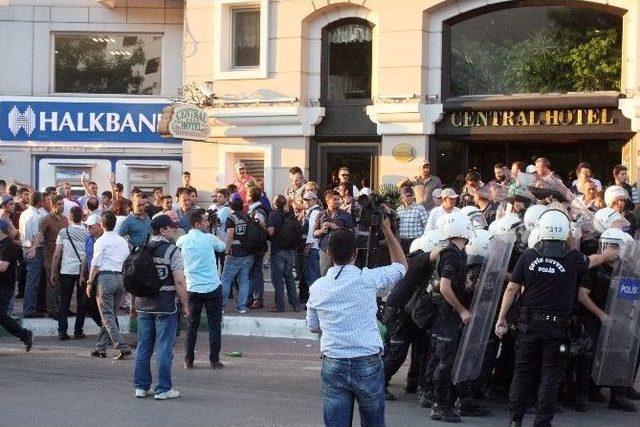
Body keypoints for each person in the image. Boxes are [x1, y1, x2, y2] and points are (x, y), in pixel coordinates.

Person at [495, 209, 619, 427]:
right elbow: (590, 260)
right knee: (551, 374)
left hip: (528, 324)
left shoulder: (529, 255)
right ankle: (542, 421)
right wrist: (607, 256)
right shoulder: (571, 258)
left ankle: (516, 419)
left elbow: (512, 289)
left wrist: (502, 318)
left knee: (522, 371)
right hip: (556, 327)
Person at [306, 207, 407, 427]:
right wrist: (387, 230)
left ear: (329, 254)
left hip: (333, 361)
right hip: (367, 361)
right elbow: (401, 267)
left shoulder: (318, 287)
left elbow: (313, 326)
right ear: (355, 253)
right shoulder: (367, 279)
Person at [576, 229, 637, 412]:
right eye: (611, 246)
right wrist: (601, 315)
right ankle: (582, 394)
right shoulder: (595, 268)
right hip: (594, 318)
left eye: (616, 247)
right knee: (588, 353)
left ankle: (617, 396)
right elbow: (582, 295)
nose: (613, 250)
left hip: (618, 319)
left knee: (621, 353)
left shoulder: (626, 269)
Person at [133, 214, 190, 400]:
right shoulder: (172, 251)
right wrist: (185, 305)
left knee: (143, 346)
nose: (174, 229)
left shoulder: (141, 249)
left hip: (143, 304)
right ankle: (164, 388)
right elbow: (180, 281)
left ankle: (141, 387)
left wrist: (134, 303)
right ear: (162, 230)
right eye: (171, 227)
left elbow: (133, 278)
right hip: (165, 305)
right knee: (164, 346)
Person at [428, 213, 475, 423]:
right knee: (445, 360)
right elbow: (445, 287)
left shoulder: (457, 253)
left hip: (447, 314)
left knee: (445, 358)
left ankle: (440, 401)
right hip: (446, 315)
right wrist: (462, 310)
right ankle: (439, 404)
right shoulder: (452, 254)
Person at [176, 209, 226, 370]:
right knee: (214, 326)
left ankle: (188, 360)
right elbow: (222, 246)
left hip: (192, 288)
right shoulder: (210, 238)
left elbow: (178, 245)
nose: (208, 222)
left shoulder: (183, 240)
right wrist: (214, 231)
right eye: (205, 221)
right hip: (212, 287)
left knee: (192, 326)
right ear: (198, 223)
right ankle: (214, 360)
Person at [86, 211, 132, 360]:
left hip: (105, 278)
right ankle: (101, 347)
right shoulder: (122, 241)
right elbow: (126, 259)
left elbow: (96, 263)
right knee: (110, 315)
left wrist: (90, 282)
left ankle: (121, 345)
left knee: (107, 316)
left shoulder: (101, 241)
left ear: (102, 225)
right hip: (120, 278)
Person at [51, 206, 89, 340]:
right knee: (81, 301)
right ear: (81, 218)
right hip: (82, 271)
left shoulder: (63, 232)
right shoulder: (87, 233)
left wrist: (53, 271)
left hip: (66, 270)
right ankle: (78, 331)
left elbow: (57, 255)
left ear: (70, 217)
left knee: (64, 301)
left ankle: (62, 331)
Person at [0, 218, 33, 351]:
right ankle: (25, 335)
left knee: (1, 315)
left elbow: (3, 267)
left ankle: (25, 335)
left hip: (5, 287)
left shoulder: (9, 245)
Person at [221, 194, 254, 313]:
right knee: (244, 280)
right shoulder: (248, 216)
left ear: (231, 205)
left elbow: (230, 236)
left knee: (226, 279)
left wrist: (226, 252)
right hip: (248, 253)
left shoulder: (231, 218)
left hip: (235, 253)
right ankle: (241, 307)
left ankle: (221, 307)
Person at [267, 195, 300, 312]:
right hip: (290, 250)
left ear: (275, 203)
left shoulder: (273, 214)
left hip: (278, 250)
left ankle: (280, 306)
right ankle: (295, 304)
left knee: (278, 279)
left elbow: (270, 232)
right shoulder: (289, 214)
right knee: (289, 277)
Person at [313, 190, 355, 276]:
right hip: (325, 249)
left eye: (339, 199)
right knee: (324, 274)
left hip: (341, 249)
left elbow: (352, 232)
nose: (338, 202)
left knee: (341, 275)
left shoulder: (346, 215)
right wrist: (322, 230)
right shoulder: (320, 215)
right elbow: (314, 233)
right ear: (327, 201)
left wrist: (338, 228)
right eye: (335, 199)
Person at [39, 195, 69, 319]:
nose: (62, 206)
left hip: (64, 256)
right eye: (59, 204)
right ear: (53, 205)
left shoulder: (65, 219)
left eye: (63, 204)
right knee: (52, 284)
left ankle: (62, 308)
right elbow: (39, 235)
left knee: (63, 284)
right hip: (50, 256)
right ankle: (51, 310)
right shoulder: (46, 219)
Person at [19, 191, 48, 318]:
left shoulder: (24, 213)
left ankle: (34, 307)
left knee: (33, 280)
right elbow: (38, 235)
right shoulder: (36, 216)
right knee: (33, 281)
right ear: (39, 201)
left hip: (25, 248)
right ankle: (29, 310)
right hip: (34, 249)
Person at [247, 187, 268, 309]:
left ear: (251, 197)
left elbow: (260, 227)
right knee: (254, 272)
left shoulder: (257, 211)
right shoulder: (255, 209)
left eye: (248, 194)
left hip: (257, 246)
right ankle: (253, 298)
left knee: (255, 272)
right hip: (257, 246)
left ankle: (257, 298)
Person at [396, 186, 429, 253]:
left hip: (416, 241)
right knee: (404, 262)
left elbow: (426, 225)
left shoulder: (419, 208)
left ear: (413, 196)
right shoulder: (398, 210)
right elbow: (396, 227)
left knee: (415, 262)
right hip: (403, 242)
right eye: (406, 196)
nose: (409, 197)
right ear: (402, 198)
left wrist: (423, 239)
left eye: (410, 195)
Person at [302, 191, 322, 292]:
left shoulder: (315, 212)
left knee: (312, 275)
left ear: (315, 200)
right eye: (304, 199)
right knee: (313, 274)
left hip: (313, 247)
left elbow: (312, 230)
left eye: (308, 200)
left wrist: (308, 245)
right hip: (315, 246)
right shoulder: (312, 211)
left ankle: (315, 299)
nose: (305, 202)